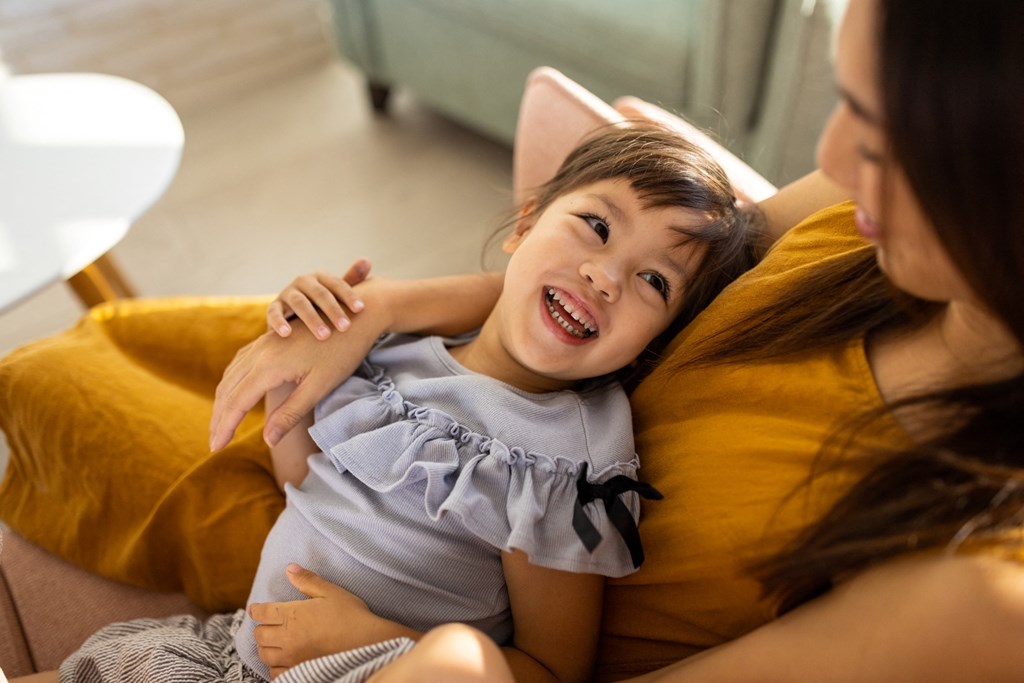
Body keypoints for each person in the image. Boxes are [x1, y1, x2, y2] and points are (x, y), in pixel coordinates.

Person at [206, 0, 1024, 680]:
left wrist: (391, 645)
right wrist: (372, 311)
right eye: (848, 100)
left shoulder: (984, 593)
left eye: (888, 133)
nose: (832, 160)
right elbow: (621, 274)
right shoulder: (850, 223)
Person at [50, 124, 763, 683]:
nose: (604, 275)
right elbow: (306, 484)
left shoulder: (561, 463)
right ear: (526, 224)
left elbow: (552, 670)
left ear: (653, 345)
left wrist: (383, 643)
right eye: (598, 226)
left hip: (380, 666)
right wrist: (290, 362)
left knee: (458, 656)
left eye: (653, 282)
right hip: (237, 658)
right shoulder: (402, 351)